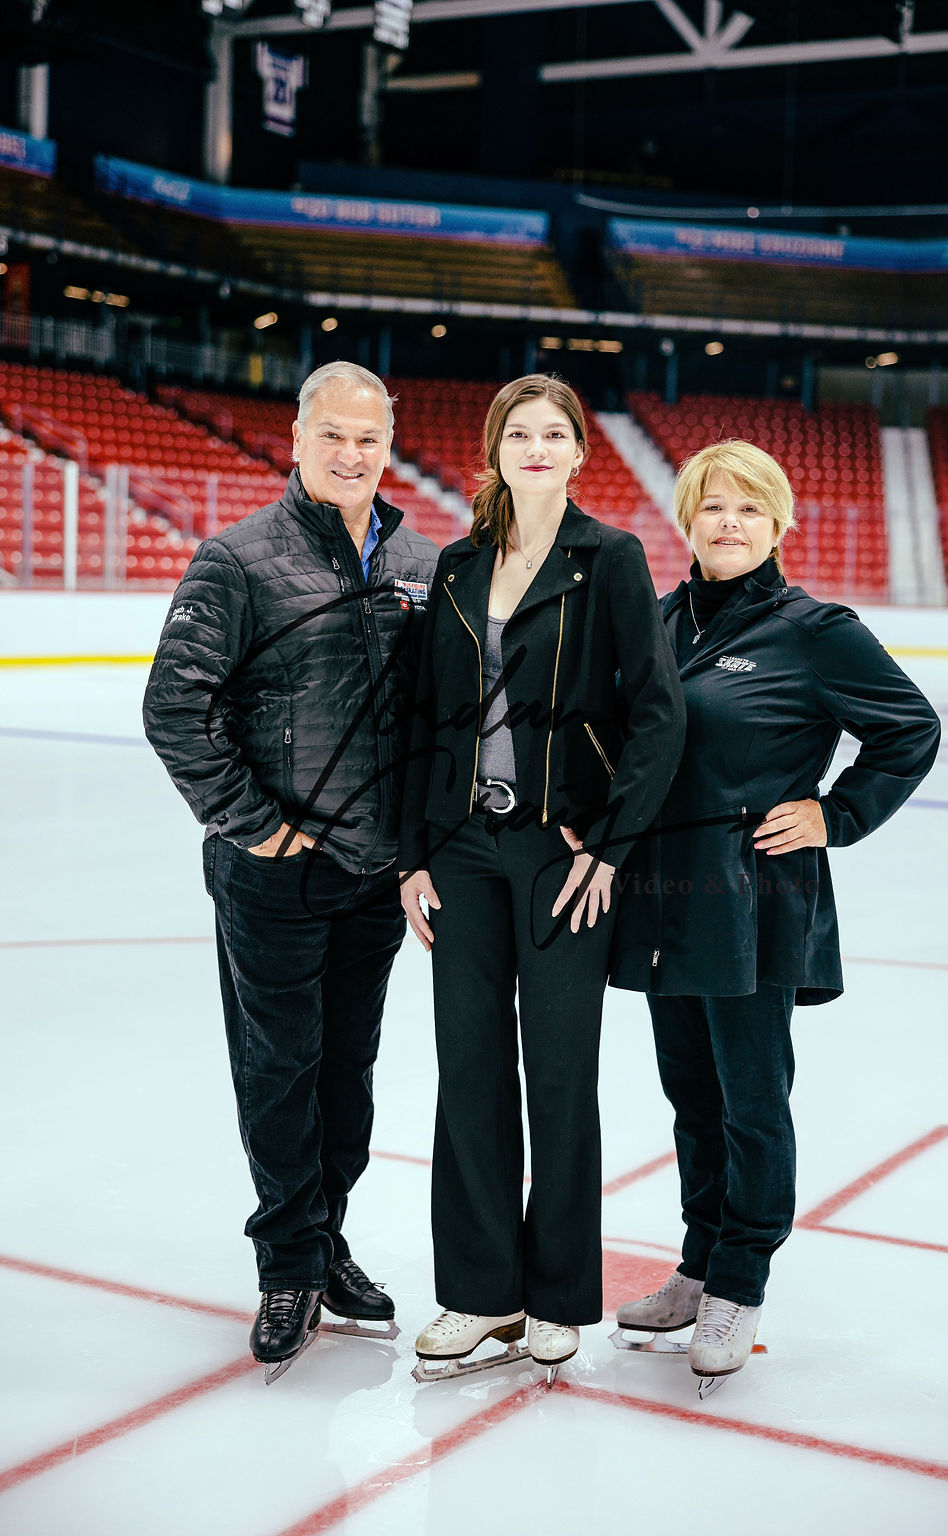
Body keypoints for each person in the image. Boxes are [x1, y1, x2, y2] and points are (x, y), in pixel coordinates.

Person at [610, 439, 940, 1384]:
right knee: (691, 1098)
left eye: (749, 508)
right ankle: (697, 1263)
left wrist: (834, 814)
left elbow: (909, 728)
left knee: (752, 1100)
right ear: (687, 518)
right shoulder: (660, 621)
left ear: (778, 522)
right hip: (664, 895)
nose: (728, 522)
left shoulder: (814, 629)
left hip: (751, 897)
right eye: (712, 506)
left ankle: (740, 1281)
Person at [143, 361, 438, 1374]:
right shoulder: (237, 560)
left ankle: (325, 1241)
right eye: (334, 436)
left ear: (386, 447)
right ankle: (285, 1269)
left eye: (369, 438)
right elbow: (174, 710)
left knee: (347, 1072)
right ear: (298, 439)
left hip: (373, 872)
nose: (352, 454)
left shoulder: (418, 559)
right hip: (273, 871)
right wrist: (257, 827)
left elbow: (436, 720)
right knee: (280, 1071)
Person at [399, 374, 685, 1377]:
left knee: (559, 1076)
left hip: (560, 855)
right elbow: (423, 717)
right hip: (462, 851)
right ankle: (480, 1298)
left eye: (551, 432)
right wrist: (412, 856)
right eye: (516, 432)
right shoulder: (456, 564)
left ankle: (559, 1296)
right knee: (468, 1071)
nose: (534, 445)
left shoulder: (608, 560)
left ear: (576, 454)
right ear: (494, 452)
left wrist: (609, 843)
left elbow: (657, 714)